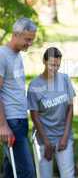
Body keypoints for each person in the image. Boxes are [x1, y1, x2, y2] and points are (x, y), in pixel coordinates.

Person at [27, 47, 75, 178]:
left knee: (68, 175)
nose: (55, 68)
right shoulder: (34, 85)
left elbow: (70, 108)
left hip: (63, 136)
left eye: (58, 65)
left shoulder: (65, 79)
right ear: (44, 61)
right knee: (44, 175)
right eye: (52, 65)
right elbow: (34, 116)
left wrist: (65, 136)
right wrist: (46, 142)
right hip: (43, 138)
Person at [0, 17, 36, 178]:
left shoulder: (17, 55)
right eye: (27, 39)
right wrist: (2, 126)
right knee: (26, 172)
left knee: (11, 170)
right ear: (16, 34)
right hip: (10, 122)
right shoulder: (2, 55)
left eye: (32, 40)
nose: (30, 43)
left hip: (20, 120)